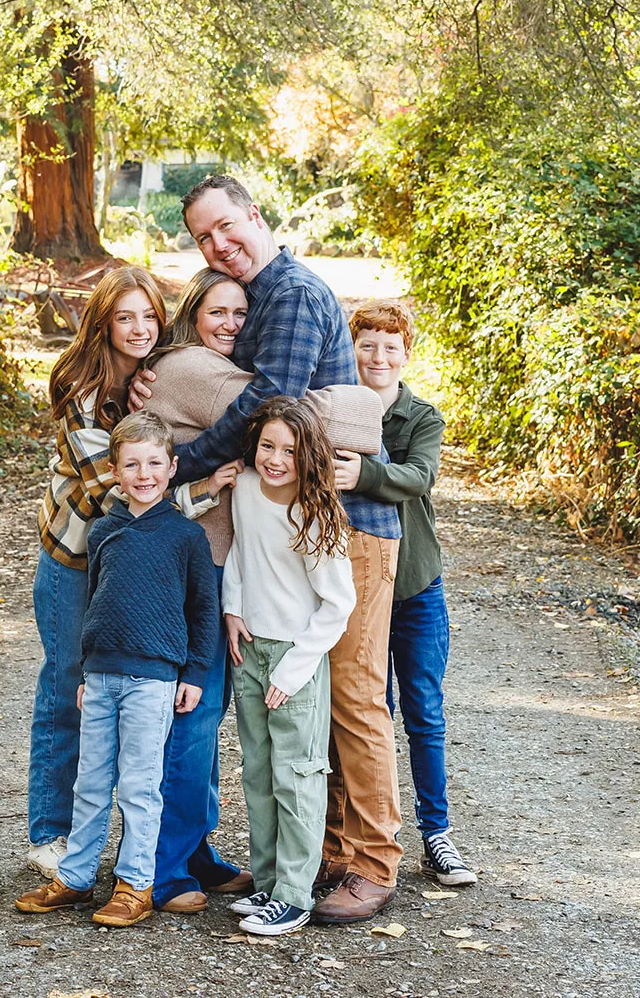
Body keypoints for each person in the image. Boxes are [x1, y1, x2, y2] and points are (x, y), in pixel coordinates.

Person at [134, 174, 404, 923]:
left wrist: (178, 461)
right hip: (305, 528)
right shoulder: (257, 297)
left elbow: (265, 407)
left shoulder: (288, 293)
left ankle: (374, 864)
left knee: (351, 700)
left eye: (227, 226)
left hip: (348, 525)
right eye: (203, 239)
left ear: (256, 214)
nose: (220, 244)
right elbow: (230, 388)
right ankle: (319, 854)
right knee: (310, 709)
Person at [15, 411, 219, 925]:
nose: (144, 474)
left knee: (139, 784)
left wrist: (193, 674)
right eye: (132, 465)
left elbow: (203, 610)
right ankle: (77, 878)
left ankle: (135, 884)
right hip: (102, 676)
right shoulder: (104, 530)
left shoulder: (185, 537)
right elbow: (95, 605)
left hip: (153, 680)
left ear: (172, 469)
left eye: (154, 463)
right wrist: (84, 672)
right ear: (115, 470)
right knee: (90, 780)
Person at [26, 267, 166, 878]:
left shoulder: (152, 379)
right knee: (67, 689)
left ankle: (110, 842)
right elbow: (118, 488)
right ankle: (50, 834)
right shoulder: (81, 391)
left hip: (124, 567)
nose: (139, 329)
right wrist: (198, 496)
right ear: (104, 324)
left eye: (148, 317)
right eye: (124, 318)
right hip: (74, 561)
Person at [335, 300, 475, 886]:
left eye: (391, 346)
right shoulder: (337, 408)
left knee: (424, 712)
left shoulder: (421, 417)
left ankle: (436, 833)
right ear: (352, 349)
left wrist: (365, 475)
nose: (378, 356)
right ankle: (363, 835)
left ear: (406, 355)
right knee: (369, 712)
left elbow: (419, 477)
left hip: (416, 583)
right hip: (360, 585)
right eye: (367, 344)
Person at [222, 397, 355, 937]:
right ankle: (268, 881)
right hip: (247, 647)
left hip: (294, 658)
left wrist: (294, 669)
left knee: (296, 775)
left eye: (290, 451)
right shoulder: (247, 488)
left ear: (309, 457)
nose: (276, 459)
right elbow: (240, 554)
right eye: (268, 446)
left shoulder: (315, 514)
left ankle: (295, 895)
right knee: (257, 770)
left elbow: (337, 605)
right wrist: (232, 607)